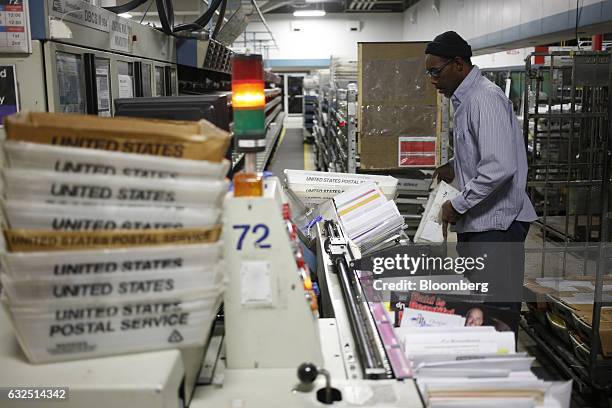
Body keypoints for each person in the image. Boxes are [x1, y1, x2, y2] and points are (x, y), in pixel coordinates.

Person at [425, 31, 537, 315]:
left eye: (436, 71)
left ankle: (500, 358)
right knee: (481, 307)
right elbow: (483, 149)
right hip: (481, 224)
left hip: (498, 226)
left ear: (459, 64)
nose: (433, 80)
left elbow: (499, 166)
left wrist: (457, 205)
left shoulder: (483, 99)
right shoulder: (464, 100)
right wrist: (454, 162)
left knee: (496, 310)